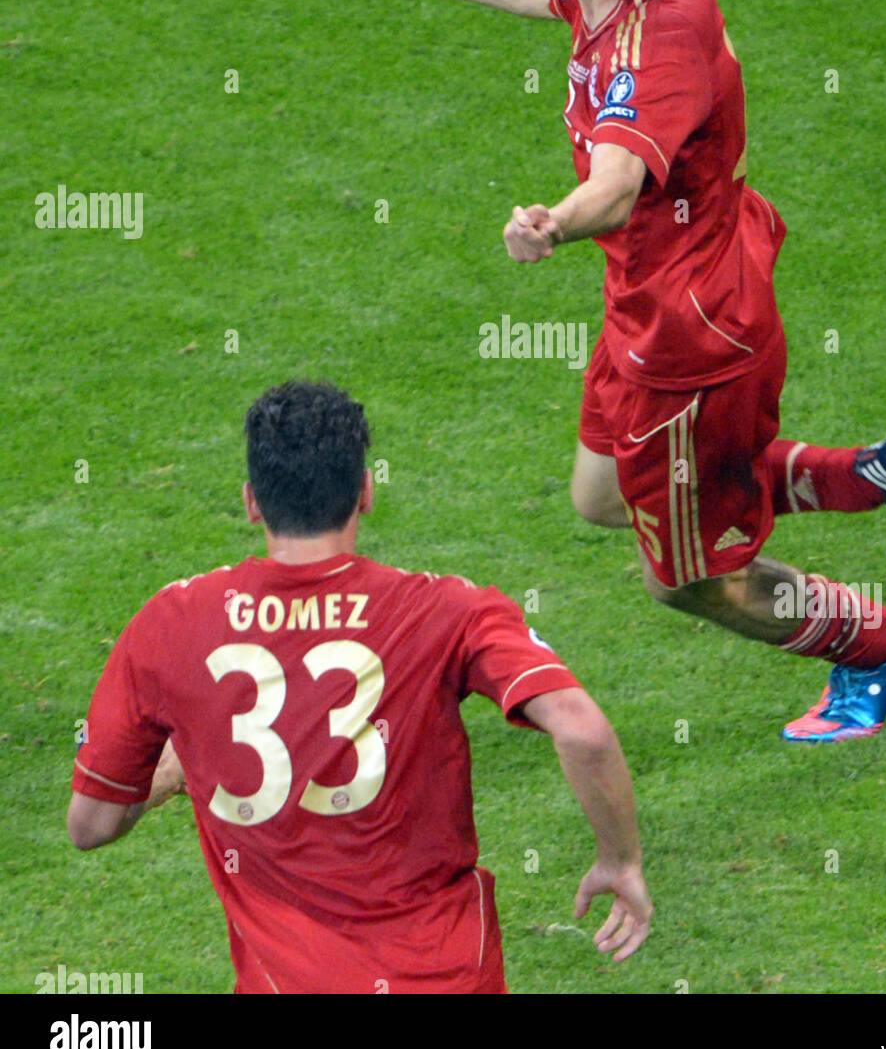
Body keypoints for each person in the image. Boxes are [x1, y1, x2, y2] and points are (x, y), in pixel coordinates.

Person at [327, 0, 886, 743]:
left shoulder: (660, 42)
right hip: (655, 293)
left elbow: (615, 182)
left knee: (690, 579)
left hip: (691, 337)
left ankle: (882, 644)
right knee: (599, 496)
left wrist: (552, 225)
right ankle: (876, 476)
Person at [67, 380, 652, 993]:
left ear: (251, 503)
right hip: (447, 977)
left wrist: (183, 764)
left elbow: (91, 826)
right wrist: (620, 860)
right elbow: (581, 728)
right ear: (366, 492)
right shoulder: (448, 610)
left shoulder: (171, 622)